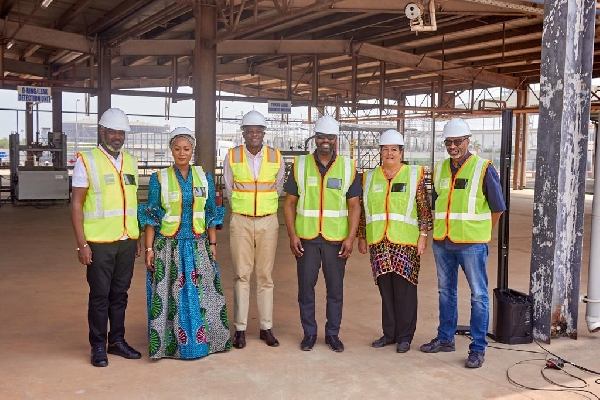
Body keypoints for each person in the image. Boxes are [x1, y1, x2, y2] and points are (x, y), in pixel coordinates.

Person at [419, 118, 506, 368]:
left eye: (457, 141)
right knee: (446, 292)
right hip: (443, 242)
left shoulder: (483, 167)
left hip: (471, 245)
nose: (453, 146)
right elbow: (436, 202)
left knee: (478, 296)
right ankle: (446, 338)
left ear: (468, 141)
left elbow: (497, 208)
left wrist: (480, 232)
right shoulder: (440, 168)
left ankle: (478, 348)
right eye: (449, 142)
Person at [139, 127, 231, 359]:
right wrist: (149, 249)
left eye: (186, 149)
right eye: (177, 149)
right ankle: (172, 346)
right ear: (171, 150)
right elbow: (152, 216)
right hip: (168, 247)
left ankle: (205, 344)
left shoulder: (204, 177)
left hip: (198, 246)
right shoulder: (159, 178)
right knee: (171, 296)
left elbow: (210, 212)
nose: (182, 153)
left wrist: (213, 244)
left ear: (193, 151)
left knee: (202, 294)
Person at [70, 108, 142, 367]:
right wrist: (82, 244)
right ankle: (98, 346)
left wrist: (137, 237)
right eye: (112, 132)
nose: (117, 137)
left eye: (121, 132)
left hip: (126, 240)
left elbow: (132, 202)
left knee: (120, 294)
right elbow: (76, 204)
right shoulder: (87, 160)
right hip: (99, 243)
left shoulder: (131, 161)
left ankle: (117, 341)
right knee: (100, 295)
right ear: (102, 132)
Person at [283, 115, 361, 353]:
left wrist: (350, 238)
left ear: (336, 139)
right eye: (320, 137)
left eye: (329, 137)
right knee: (306, 289)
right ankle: (309, 333)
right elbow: (289, 204)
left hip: (335, 239)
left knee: (335, 289)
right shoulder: (300, 165)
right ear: (314, 139)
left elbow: (355, 205)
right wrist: (292, 235)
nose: (325, 141)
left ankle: (332, 334)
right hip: (306, 238)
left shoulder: (348, 167)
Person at [358, 129, 432, 354]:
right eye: (385, 149)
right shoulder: (370, 177)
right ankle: (389, 333)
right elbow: (364, 210)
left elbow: (424, 209)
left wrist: (423, 236)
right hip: (379, 243)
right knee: (385, 291)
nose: (389, 154)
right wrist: (362, 236)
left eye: (393, 150)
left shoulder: (413, 175)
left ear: (401, 152)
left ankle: (405, 337)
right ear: (380, 152)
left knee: (405, 292)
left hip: (405, 244)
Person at [223, 111, 286, 349]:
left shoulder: (276, 156)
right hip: (241, 220)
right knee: (241, 275)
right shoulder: (232, 156)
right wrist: (244, 209)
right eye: (249, 131)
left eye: (258, 131)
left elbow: (278, 186)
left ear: (264, 133)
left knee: (264, 276)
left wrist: (263, 210)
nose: (254, 135)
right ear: (243, 133)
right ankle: (240, 329)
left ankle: (265, 327)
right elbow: (229, 188)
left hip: (268, 221)